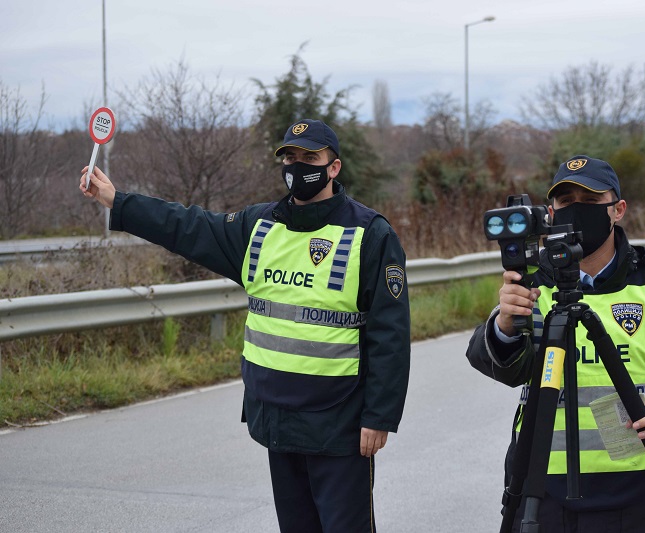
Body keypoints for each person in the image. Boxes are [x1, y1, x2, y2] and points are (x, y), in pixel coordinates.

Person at [80, 118, 411, 532]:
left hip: (338, 425)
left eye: (310, 158)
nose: (297, 165)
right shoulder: (259, 226)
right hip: (276, 418)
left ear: (334, 167)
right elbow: (187, 226)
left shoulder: (370, 234)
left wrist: (379, 416)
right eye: (289, 157)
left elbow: (390, 334)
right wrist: (119, 202)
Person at [466, 155, 645, 532]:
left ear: (618, 210)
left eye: (589, 201)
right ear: (550, 213)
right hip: (544, 489)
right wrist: (505, 324)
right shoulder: (534, 286)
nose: (577, 210)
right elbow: (503, 366)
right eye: (566, 201)